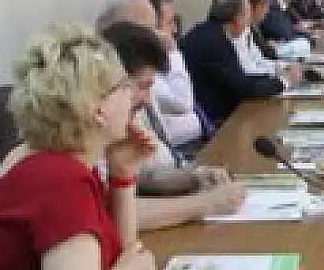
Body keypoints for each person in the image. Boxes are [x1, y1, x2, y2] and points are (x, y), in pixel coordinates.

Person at [0, 23, 156, 270]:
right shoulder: (60, 181)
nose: (133, 97)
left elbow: (120, 254)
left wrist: (123, 172)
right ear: (98, 109)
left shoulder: (63, 163)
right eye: (124, 86)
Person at [101, 22, 245, 231]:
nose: (147, 101)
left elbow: (143, 177)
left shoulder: (127, 117)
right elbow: (111, 213)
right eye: (142, 86)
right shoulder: (85, 137)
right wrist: (207, 203)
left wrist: (193, 178)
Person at [181, 0, 299, 122]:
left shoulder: (210, 32)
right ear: (237, 20)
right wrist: (284, 81)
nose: (248, 25)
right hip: (215, 120)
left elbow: (241, 79)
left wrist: (276, 78)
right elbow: (244, 89)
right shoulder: (214, 43)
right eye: (247, 19)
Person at [142, 0, 211, 154]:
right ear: (151, 28)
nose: (174, 29)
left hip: (195, 138)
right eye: (170, 22)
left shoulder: (157, 58)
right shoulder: (142, 70)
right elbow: (183, 103)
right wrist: (173, 52)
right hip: (180, 149)